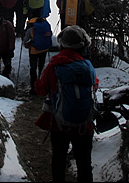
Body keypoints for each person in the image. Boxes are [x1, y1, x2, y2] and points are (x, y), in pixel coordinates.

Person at [34, 25, 98, 182]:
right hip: (84, 124)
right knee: (84, 163)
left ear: (62, 43)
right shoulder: (87, 66)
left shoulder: (54, 66)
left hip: (59, 122)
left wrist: (37, 82)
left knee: (59, 158)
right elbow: (94, 86)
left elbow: (42, 90)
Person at [23, 16, 52, 94]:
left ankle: (34, 88)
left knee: (33, 69)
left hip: (34, 50)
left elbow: (25, 41)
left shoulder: (31, 28)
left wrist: (27, 44)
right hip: (44, 49)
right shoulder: (45, 24)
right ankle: (43, 86)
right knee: (41, 68)